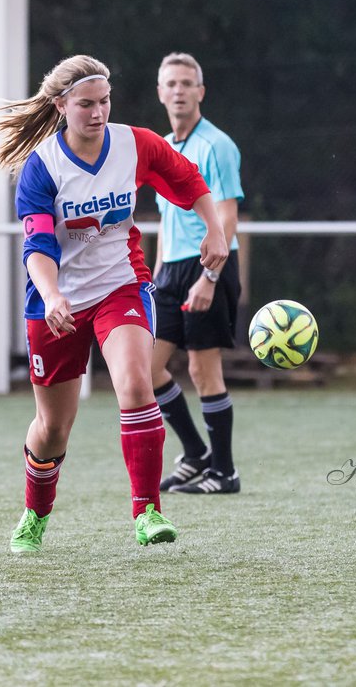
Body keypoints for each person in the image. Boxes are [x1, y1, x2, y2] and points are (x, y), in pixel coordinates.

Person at [0, 54, 229, 554]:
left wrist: (215, 227)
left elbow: (188, 181)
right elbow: (37, 248)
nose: (98, 113)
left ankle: (147, 512)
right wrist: (53, 295)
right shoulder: (42, 168)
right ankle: (35, 513)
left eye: (105, 102)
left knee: (137, 382)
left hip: (122, 285)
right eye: (86, 104)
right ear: (60, 106)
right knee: (53, 428)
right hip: (56, 303)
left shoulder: (134, 143)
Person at [149, 52, 245, 495]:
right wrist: (152, 279)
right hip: (170, 271)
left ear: (201, 92)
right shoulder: (163, 147)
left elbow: (226, 220)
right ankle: (194, 453)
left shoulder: (216, 145)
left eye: (187, 83)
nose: (179, 90)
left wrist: (209, 277)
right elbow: (167, 225)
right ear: (160, 92)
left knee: (203, 371)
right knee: (145, 370)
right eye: (171, 83)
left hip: (209, 265)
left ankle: (224, 472)